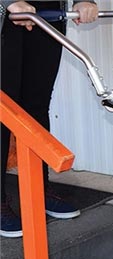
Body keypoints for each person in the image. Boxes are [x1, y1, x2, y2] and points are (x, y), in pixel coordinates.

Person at [0, 0, 98, 238]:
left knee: (36, 106)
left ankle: (37, 190)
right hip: (6, 16)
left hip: (46, 13)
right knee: (4, 108)